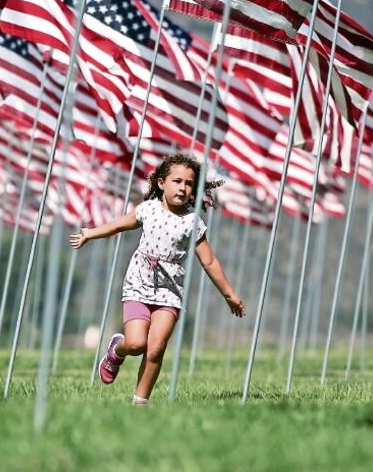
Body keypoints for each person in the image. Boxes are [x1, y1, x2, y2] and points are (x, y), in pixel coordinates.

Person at [70, 154, 246, 405]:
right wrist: (90, 233)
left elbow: (209, 261)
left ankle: (139, 403)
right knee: (136, 343)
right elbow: (119, 225)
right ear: (162, 183)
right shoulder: (148, 209)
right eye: (177, 181)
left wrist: (230, 294)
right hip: (138, 285)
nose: (183, 188)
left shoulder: (192, 221)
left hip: (169, 292)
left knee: (155, 348)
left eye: (188, 184)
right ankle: (116, 351)